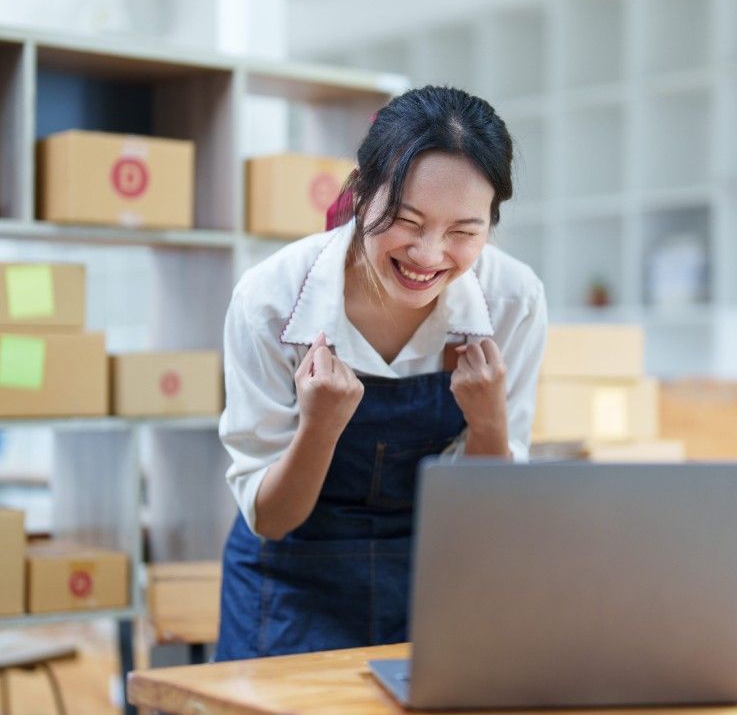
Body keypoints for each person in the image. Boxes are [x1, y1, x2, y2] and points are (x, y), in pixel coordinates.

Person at [215, 85, 548, 660]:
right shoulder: (271, 300)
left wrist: (490, 421)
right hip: (290, 581)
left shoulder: (511, 301)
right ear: (362, 192)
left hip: (432, 574)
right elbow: (271, 518)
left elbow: (487, 518)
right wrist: (319, 426)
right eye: (407, 220)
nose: (428, 254)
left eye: (464, 232)